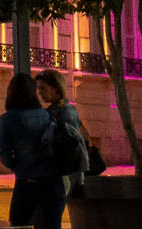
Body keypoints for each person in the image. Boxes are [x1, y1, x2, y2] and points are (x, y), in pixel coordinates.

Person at [0, 73, 66, 229]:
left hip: (27, 184)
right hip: (53, 182)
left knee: (18, 224)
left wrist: (20, 167)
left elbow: (5, 156)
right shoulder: (46, 115)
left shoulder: (7, 119)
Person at [35, 70, 87, 199]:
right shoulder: (63, 109)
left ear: (56, 88)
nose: (39, 92)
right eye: (38, 88)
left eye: (43, 88)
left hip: (60, 174)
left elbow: (66, 145)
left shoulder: (62, 112)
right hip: (60, 173)